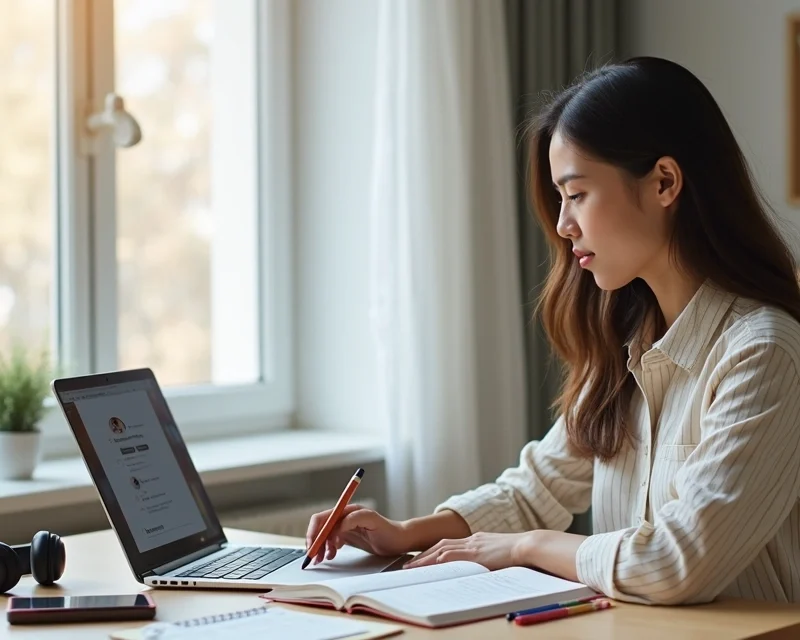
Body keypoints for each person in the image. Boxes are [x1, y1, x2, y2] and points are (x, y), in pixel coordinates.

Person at [305, 56, 800, 606]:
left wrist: (526, 547)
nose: (564, 226)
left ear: (664, 182)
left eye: (577, 193)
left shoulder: (764, 352)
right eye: (560, 199)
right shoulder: (622, 345)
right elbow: (535, 489)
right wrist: (407, 532)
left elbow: (680, 561)